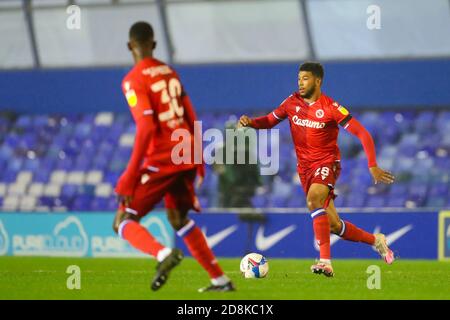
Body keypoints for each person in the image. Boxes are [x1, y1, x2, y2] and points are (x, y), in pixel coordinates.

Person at [238, 62, 395, 277]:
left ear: (318, 80)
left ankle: (325, 262)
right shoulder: (291, 102)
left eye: (305, 78)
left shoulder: (331, 107)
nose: (300, 83)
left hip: (326, 164)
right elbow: (269, 121)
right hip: (304, 169)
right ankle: (376, 241)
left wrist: (372, 165)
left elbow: (362, 134)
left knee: (313, 201)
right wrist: (251, 122)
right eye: (299, 78)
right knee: (332, 225)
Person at [113, 21, 235, 292]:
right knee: (178, 219)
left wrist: (129, 176)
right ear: (154, 44)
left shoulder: (133, 79)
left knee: (123, 221)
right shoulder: (170, 72)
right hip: (186, 152)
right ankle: (220, 280)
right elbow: (190, 115)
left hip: (164, 156)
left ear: (130, 46)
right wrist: (198, 159)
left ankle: (163, 254)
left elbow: (145, 128)